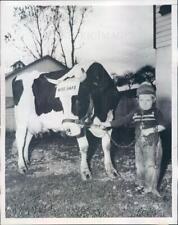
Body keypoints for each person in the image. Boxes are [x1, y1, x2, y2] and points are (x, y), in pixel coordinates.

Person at [100, 82, 166, 197]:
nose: (144, 103)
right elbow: (123, 120)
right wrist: (107, 124)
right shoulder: (135, 111)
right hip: (138, 142)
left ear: (153, 100)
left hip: (152, 143)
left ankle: (151, 188)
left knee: (150, 164)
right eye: (142, 100)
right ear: (138, 100)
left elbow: (163, 125)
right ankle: (141, 184)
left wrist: (151, 130)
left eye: (148, 100)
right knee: (139, 164)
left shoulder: (156, 112)